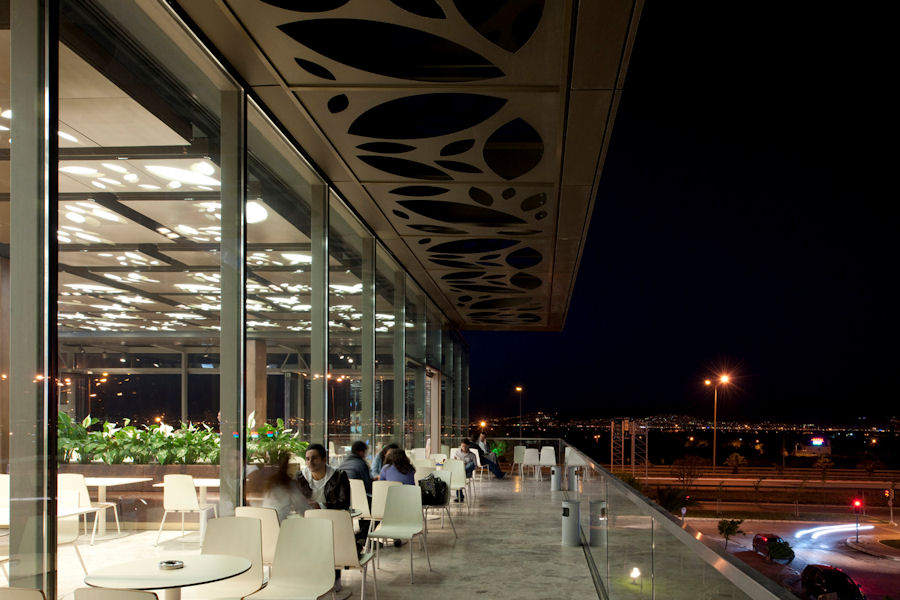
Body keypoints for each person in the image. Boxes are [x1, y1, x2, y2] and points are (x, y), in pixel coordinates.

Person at [297, 443, 351, 599]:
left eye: (314, 458)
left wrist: (320, 505)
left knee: (330, 541)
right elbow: (296, 501)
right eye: (307, 459)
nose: (310, 462)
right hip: (308, 522)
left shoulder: (339, 476)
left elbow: (344, 502)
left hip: (332, 521)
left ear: (324, 459)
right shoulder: (301, 476)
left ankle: (334, 578)